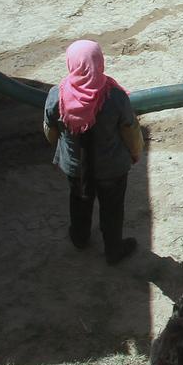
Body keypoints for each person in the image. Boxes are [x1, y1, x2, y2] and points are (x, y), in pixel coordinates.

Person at [43, 40, 141, 265]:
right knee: (112, 209)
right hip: (112, 169)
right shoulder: (115, 97)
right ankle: (113, 250)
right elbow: (130, 129)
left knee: (79, 200)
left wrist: (61, 151)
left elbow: (50, 130)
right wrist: (135, 153)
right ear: (100, 63)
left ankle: (79, 237)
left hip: (75, 167)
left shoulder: (57, 95)